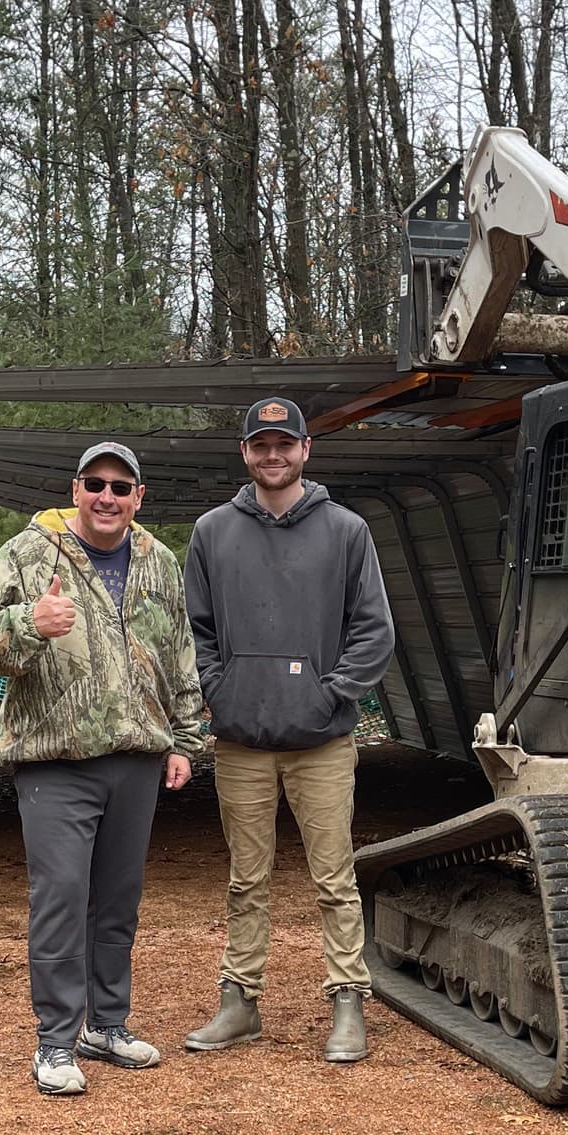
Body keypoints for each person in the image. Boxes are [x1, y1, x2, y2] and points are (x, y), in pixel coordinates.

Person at [0, 443, 204, 1097]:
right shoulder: (28, 552)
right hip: (56, 760)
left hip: (137, 757)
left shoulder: (159, 561)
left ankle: (107, 1024)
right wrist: (28, 622)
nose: (107, 497)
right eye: (95, 483)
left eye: (121, 487)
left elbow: (179, 653)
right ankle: (55, 1041)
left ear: (139, 498)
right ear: (75, 489)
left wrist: (184, 741)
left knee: (118, 901)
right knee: (62, 898)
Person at [182, 396, 396, 1064]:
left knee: (334, 879)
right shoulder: (212, 532)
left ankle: (348, 1002)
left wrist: (330, 693)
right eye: (260, 445)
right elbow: (195, 630)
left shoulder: (346, 531)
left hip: (322, 742)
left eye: (284, 444)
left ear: (306, 449)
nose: (272, 455)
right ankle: (239, 1002)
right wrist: (220, 689)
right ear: (245, 453)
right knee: (246, 880)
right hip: (241, 741)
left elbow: (374, 629)